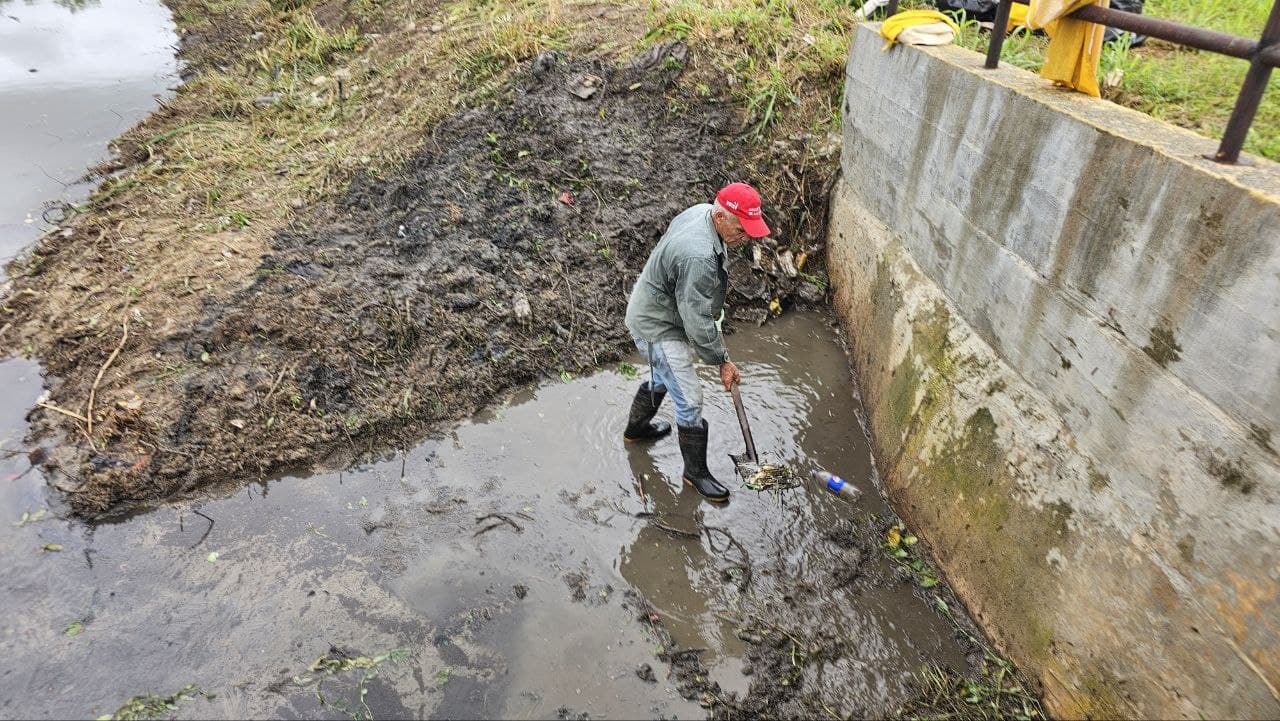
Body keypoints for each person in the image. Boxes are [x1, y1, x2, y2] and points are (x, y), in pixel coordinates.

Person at [621, 182, 771, 502]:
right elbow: (698, 321)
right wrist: (721, 360)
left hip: (656, 305)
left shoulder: (702, 212)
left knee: (664, 376)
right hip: (656, 325)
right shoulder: (699, 255)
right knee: (689, 399)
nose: (745, 239)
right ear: (720, 217)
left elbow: (693, 303)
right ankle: (695, 473)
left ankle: (635, 431)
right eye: (742, 230)